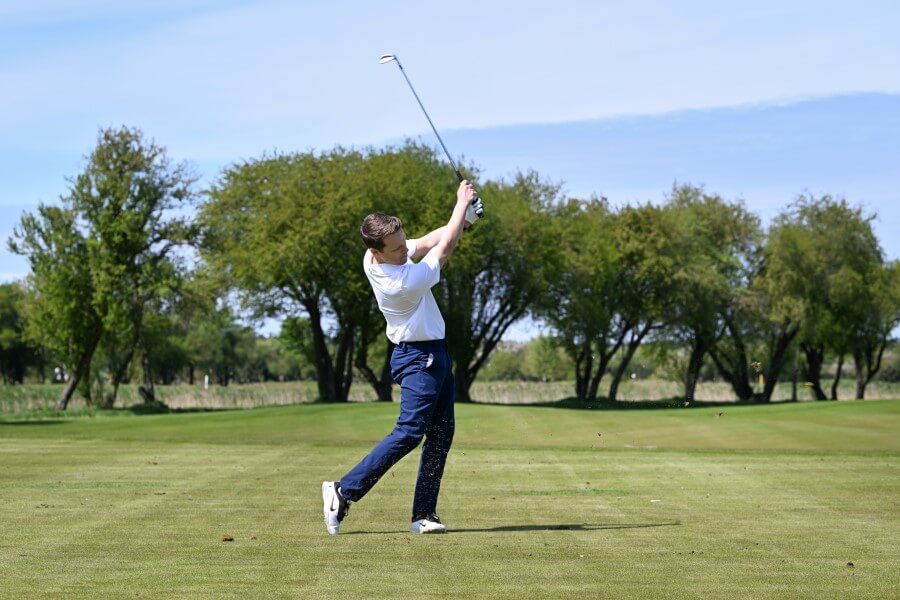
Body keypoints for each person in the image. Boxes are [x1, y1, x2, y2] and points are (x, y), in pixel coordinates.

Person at [322, 180, 483, 535]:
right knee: (410, 431)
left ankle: (424, 514)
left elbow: (428, 241)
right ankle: (343, 490)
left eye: (401, 244)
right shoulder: (401, 282)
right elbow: (444, 248)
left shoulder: (378, 255)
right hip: (417, 356)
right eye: (396, 250)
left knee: (441, 435)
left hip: (434, 353)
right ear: (377, 252)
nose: (403, 252)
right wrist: (461, 203)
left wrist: (466, 217)